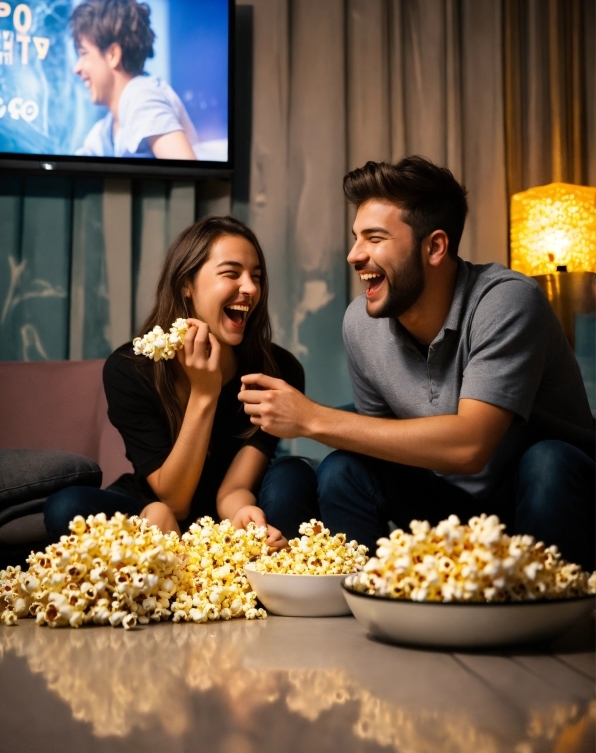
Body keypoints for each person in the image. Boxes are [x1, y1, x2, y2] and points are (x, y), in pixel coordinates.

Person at [239, 157, 595, 568]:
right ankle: (368, 600)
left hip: (537, 494)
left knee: (548, 459)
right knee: (344, 468)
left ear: (435, 247)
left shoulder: (507, 301)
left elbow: (471, 445)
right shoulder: (361, 322)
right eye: (356, 238)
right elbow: (377, 439)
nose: (354, 255)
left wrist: (310, 419)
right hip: (440, 499)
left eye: (374, 238)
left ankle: (546, 614)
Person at [44, 216, 318, 544]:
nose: (250, 288)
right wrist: (205, 392)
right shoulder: (129, 368)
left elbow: (234, 489)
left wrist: (243, 513)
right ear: (186, 284)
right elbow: (175, 502)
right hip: (156, 510)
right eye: (231, 273)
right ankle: (170, 561)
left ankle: (250, 566)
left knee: (294, 474)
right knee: (67, 506)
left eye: (256, 276)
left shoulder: (278, 369)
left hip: (232, 516)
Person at [72, 0, 200, 160]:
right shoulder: (105, 129)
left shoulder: (142, 97)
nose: (76, 68)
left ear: (112, 54)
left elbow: (186, 168)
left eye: (84, 54)